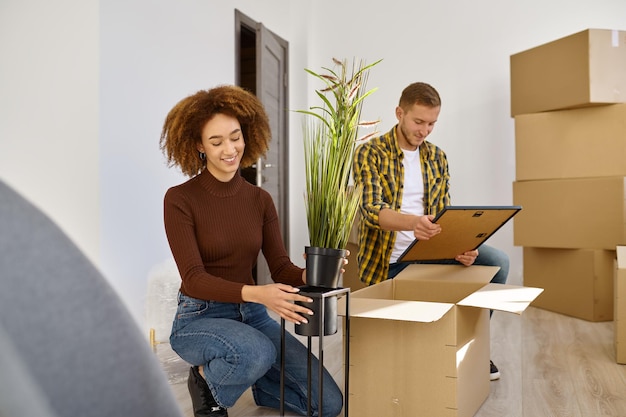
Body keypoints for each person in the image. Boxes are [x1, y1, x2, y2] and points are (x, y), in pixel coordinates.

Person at [160, 85, 344, 417]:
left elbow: (280, 268)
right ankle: (205, 381)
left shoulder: (260, 200)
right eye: (216, 142)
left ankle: (258, 381)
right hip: (200, 316)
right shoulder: (179, 199)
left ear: (248, 134)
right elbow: (194, 279)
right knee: (256, 351)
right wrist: (259, 294)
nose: (229, 149)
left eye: (235, 137)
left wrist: (310, 275)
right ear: (199, 146)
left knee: (329, 404)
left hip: (252, 317)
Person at [352, 81, 509, 381]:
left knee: (497, 263)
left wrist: (462, 245)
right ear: (399, 113)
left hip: (432, 253)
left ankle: (471, 347)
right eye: (418, 121)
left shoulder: (437, 157)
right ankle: (445, 348)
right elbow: (371, 212)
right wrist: (413, 223)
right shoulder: (370, 152)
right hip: (391, 262)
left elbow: (445, 213)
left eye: (432, 124)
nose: (424, 131)